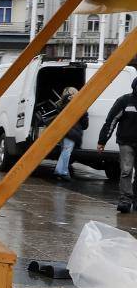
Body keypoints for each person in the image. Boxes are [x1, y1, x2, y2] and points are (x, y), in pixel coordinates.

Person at [96, 74, 137, 213]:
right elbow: (111, 121)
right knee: (126, 171)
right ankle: (125, 200)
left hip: (128, 141)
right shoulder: (124, 101)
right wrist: (102, 141)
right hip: (126, 142)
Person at [49, 87, 88, 181]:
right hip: (72, 131)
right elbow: (84, 123)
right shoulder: (78, 104)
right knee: (66, 152)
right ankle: (62, 171)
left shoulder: (61, 103)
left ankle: (61, 171)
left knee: (64, 151)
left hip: (64, 131)